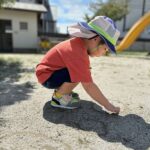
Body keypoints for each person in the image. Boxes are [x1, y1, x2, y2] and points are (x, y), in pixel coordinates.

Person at [35, 16, 120, 114]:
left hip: (48, 73)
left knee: (82, 71)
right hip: (47, 77)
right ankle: (59, 98)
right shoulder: (78, 51)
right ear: (96, 39)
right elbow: (88, 85)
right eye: (105, 49)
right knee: (80, 73)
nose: (105, 52)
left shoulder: (78, 44)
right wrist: (108, 105)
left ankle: (62, 91)